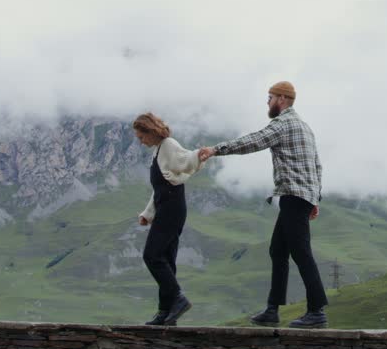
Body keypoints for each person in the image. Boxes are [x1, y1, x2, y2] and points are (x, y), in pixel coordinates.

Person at [198, 81, 328, 329]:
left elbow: (255, 141)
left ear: (281, 98)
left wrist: (216, 149)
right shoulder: (304, 127)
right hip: (300, 197)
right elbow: (317, 164)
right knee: (277, 251)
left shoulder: (283, 124)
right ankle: (272, 309)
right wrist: (314, 197)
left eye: (269, 98)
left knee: (301, 252)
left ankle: (317, 311)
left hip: (293, 195)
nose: (267, 103)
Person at [133, 112, 205, 326]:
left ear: (150, 131)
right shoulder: (158, 150)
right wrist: (148, 214)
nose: (140, 141)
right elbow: (160, 190)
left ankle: (178, 298)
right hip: (167, 207)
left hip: (172, 209)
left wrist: (199, 154)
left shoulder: (168, 145)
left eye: (141, 136)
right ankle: (165, 312)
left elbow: (186, 161)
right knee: (166, 260)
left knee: (152, 255)